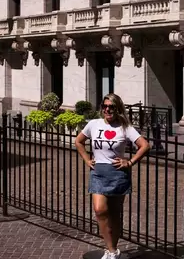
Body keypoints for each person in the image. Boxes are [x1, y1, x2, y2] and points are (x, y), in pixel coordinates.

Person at [75, 93, 151, 259]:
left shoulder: (125, 128)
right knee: (99, 210)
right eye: (105, 106)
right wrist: (87, 159)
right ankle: (110, 249)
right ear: (102, 107)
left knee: (115, 214)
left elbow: (145, 145)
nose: (108, 109)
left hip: (118, 174)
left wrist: (129, 162)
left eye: (112, 107)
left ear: (118, 109)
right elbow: (78, 141)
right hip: (98, 173)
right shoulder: (93, 124)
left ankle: (112, 250)